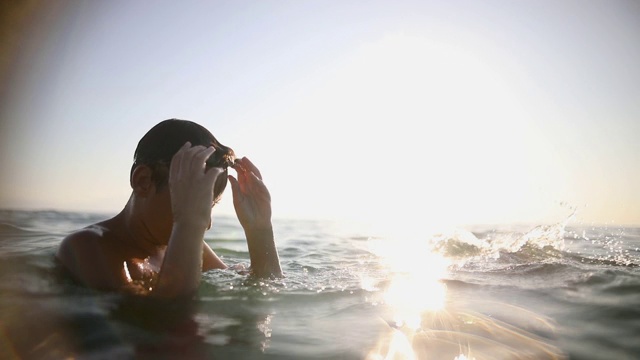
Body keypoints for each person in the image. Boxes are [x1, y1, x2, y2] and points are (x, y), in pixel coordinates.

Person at [56, 119, 283, 298]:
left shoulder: (180, 244)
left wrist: (259, 230)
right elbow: (167, 322)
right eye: (191, 202)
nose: (206, 223)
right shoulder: (87, 247)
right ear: (144, 181)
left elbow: (262, 288)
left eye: (208, 206)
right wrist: (189, 222)